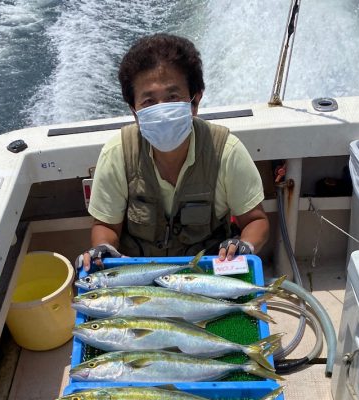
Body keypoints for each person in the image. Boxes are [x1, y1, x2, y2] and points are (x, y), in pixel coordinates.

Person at [80, 33, 269, 272]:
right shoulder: (117, 153)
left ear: (195, 100)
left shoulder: (226, 151)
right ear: (134, 111)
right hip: (139, 276)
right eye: (148, 102)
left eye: (172, 97)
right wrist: (104, 248)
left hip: (206, 273)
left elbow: (256, 221)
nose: (162, 110)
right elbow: (106, 226)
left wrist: (245, 245)